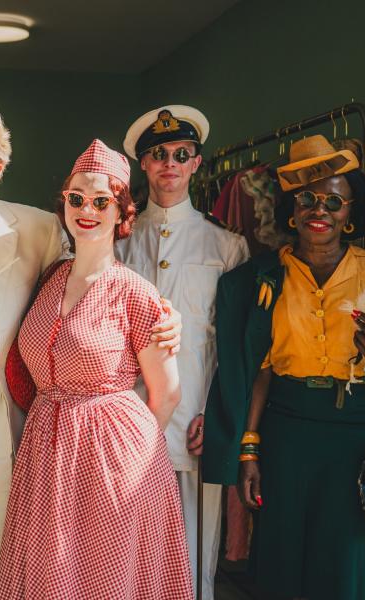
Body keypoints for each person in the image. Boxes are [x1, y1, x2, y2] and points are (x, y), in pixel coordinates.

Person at [0, 104, 183, 599]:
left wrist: (166, 318)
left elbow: (102, 289)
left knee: (3, 559)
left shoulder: (40, 228)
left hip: (6, 407)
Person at [203, 135, 365, 600]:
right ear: (291, 210)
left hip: (353, 436)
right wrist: (249, 451)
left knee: (341, 563)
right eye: (307, 199)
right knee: (279, 560)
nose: (320, 210)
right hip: (286, 431)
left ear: (351, 211)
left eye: (334, 200)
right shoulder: (264, 277)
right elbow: (261, 370)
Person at [0, 139, 192, 598]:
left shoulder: (135, 293)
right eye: (76, 198)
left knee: (104, 580)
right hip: (47, 455)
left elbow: (168, 394)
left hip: (112, 460)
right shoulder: (49, 279)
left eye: (101, 201)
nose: (87, 209)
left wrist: (124, 454)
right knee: (51, 575)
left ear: (121, 210)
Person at [116, 105, 249, 599]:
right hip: (127, 425)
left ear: (196, 163)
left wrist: (215, 418)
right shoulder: (118, 244)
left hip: (195, 425)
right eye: (158, 154)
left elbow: (233, 351)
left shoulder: (226, 246)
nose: (169, 162)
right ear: (143, 165)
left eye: (181, 154)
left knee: (193, 564)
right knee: (125, 556)